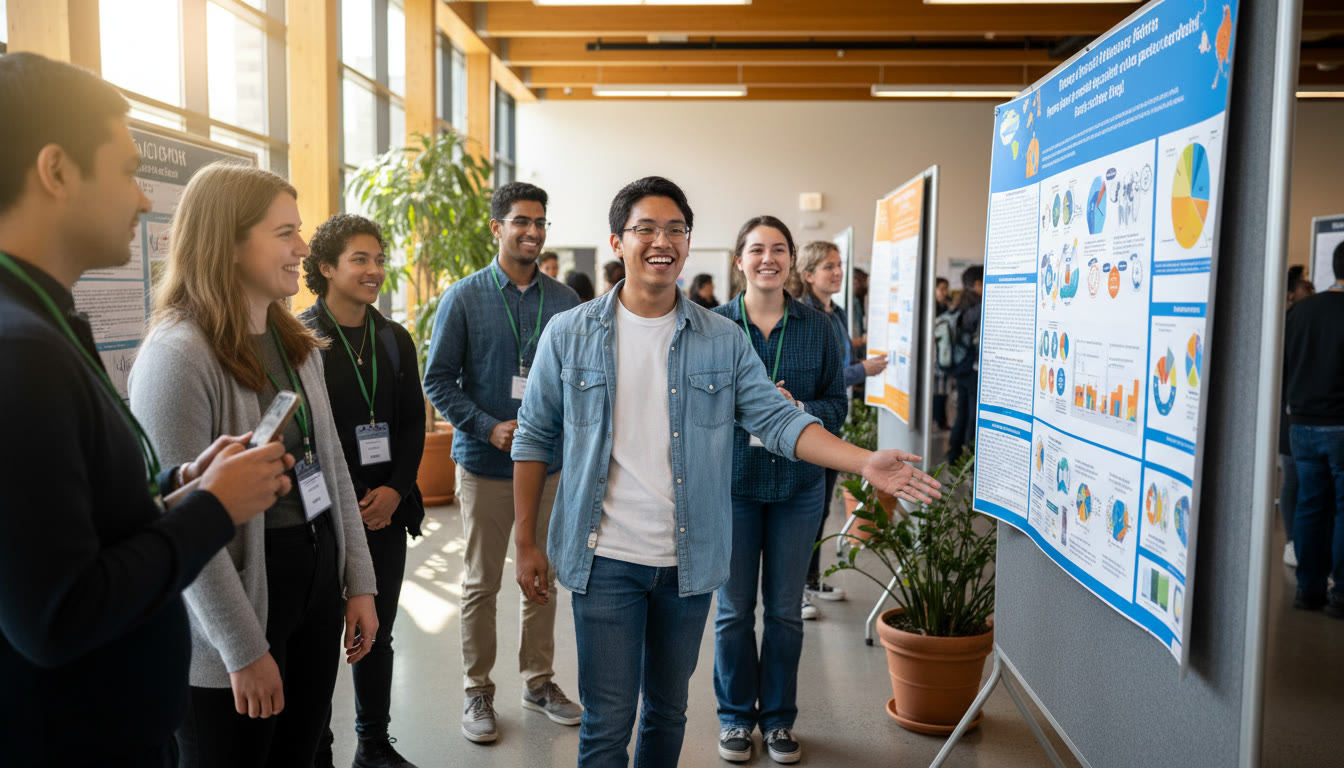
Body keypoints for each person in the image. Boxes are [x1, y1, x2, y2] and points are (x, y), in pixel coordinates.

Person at [510, 176, 942, 768]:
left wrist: (863, 461)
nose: (662, 241)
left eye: (676, 230)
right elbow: (533, 437)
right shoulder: (569, 333)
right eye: (645, 229)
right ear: (617, 241)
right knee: (608, 722)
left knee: (668, 713)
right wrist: (526, 540)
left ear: (688, 243)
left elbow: (779, 421)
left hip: (686, 561)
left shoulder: (721, 339)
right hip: (603, 557)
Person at [0, 52, 294, 768]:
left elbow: (75, 524)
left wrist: (178, 488)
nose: (141, 200)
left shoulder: (43, 321)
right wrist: (213, 509)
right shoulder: (20, 351)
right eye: (128, 172)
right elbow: (56, 614)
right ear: (56, 170)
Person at [129, 163, 380, 767]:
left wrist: (359, 582)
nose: (303, 248)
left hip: (311, 577)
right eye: (285, 233)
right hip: (235, 607)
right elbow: (184, 525)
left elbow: (331, 465)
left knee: (302, 751)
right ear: (230, 242)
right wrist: (242, 649)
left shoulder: (295, 343)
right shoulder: (178, 356)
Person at [423, 181, 583, 744]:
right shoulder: (463, 297)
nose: (532, 232)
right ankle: (477, 689)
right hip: (484, 464)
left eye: (540, 222)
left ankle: (538, 681)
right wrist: (488, 426)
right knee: (481, 583)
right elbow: (437, 380)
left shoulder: (565, 302)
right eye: (521, 221)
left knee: (543, 578)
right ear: (497, 228)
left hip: (549, 466)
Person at [709, 221, 847, 763]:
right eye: (757, 249)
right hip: (733, 486)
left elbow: (837, 405)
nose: (768, 258)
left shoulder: (819, 327)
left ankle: (779, 720)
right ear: (739, 260)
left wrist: (801, 410)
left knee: (786, 612)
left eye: (779, 250)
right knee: (733, 611)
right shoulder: (713, 326)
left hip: (798, 486)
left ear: (791, 261)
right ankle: (735, 718)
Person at [299, 214, 426, 768]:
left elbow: (412, 423)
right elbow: (303, 433)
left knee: (378, 630)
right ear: (326, 267)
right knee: (319, 635)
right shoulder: (299, 339)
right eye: (360, 259)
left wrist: (397, 490)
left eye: (379, 259)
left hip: (386, 512)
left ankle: (373, 744)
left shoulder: (393, 340)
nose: (374, 270)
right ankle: (318, 747)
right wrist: (352, 498)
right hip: (326, 514)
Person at [796, 240, 887, 616]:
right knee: (804, 512)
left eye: (839, 265)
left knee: (819, 509)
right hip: (809, 426)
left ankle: (810, 579)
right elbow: (821, 376)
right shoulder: (802, 315)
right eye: (828, 267)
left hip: (833, 420)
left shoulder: (839, 312)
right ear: (808, 274)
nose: (837, 273)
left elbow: (836, 364)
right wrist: (861, 371)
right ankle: (795, 589)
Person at [1283, 241, 1344, 619]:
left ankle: (1308, 590)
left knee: (1310, 504)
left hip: (1301, 426)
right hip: (1340, 426)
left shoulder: (1300, 312)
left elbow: (1283, 365)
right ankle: (1341, 595)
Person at [1279, 277, 1316, 568]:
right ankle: (1291, 541)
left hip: (1306, 414)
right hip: (1289, 416)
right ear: (1291, 293)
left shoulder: (1311, 321)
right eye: (1306, 289)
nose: (1311, 292)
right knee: (1292, 479)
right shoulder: (1286, 324)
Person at [947, 265, 983, 464]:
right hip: (973, 368)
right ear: (978, 284)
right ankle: (969, 459)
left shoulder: (960, 304)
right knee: (972, 415)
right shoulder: (979, 307)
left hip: (960, 366)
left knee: (962, 412)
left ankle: (954, 454)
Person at [932, 276, 952, 430]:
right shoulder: (931, 308)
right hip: (934, 355)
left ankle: (941, 420)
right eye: (942, 289)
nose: (945, 292)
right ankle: (937, 420)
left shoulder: (946, 307)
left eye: (946, 289)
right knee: (936, 391)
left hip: (944, 354)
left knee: (943, 390)